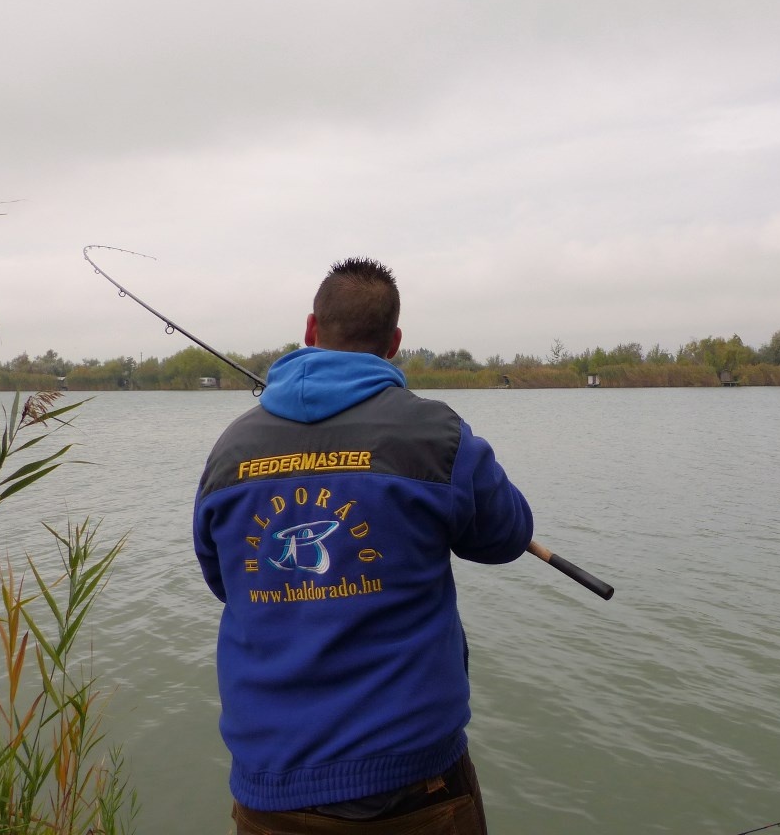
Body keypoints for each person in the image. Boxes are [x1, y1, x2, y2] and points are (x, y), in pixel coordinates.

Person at [194, 257, 534, 835]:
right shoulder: (437, 435)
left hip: (269, 788)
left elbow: (225, 580)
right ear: (394, 342)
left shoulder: (231, 450)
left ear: (310, 329)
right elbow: (508, 536)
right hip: (414, 788)